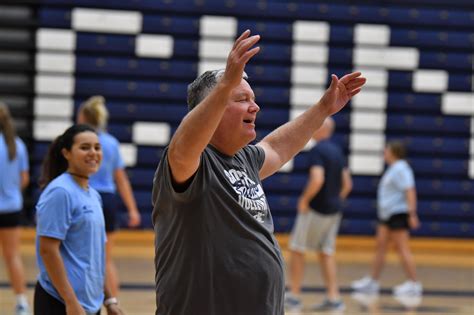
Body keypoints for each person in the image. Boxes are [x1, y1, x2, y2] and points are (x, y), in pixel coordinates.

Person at [151, 29, 366, 315]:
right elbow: (182, 146)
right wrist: (227, 82)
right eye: (240, 99)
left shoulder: (245, 159)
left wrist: (323, 109)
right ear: (209, 109)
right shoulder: (190, 161)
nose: (255, 106)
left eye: (252, 99)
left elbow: (278, 147)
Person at [34, 124, 124, 315]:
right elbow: (48, 250)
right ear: (66, 153)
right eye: (85, 147)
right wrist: (70, 301)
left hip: (90, 304)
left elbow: (98, 256)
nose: (93, 153)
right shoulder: (60, 192)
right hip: (60, 302)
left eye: (97, 147)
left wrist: (109, 299)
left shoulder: (94, 195)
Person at [285, 117, 352, 311]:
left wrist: (304, 200)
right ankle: (334, 297)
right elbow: (347, 184)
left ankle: (295, 295)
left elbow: (317, 179)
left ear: (322, 129)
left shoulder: (317, 151)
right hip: (334, 211)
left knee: (297, 249)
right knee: (326, 252)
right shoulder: (338, 151)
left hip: (315, 209)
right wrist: (336, 200)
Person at [77, 96, 141, 297]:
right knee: (105, 259)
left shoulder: (80, 142)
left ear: (85, 118)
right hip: (109, 201)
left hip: (87, 199)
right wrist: (132, 209)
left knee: (83, 257)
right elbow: (121, 179)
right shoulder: (111, 143)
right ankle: (114, 306)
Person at [351, 140, 422, 296]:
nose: (384, 153)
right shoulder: (393, 169)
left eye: (386, 150)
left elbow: (410, 191)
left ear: (394, 152)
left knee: (402, 249)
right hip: (387, 215)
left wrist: (412, 213)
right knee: (380, 248)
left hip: (398, 213)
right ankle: (373, 281)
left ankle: (414, 283)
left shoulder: (402, 168)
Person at [0, 103, 31, 315]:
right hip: (12, 208)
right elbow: (25, 179)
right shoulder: (17, 145)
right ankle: (22, 303)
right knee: (12, 256)